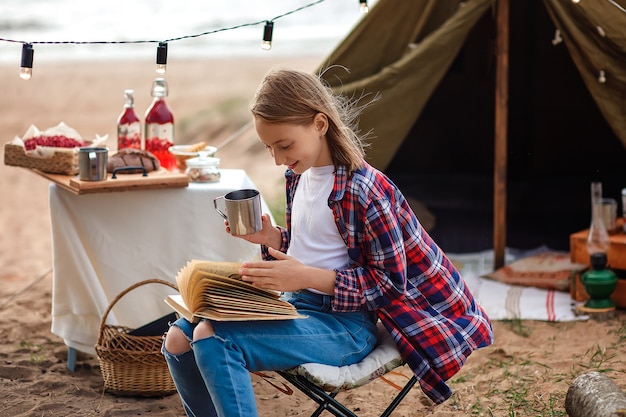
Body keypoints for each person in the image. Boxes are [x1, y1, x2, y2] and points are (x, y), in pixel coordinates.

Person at [162, 67, 494, 417]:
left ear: (320, 124)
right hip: (293, 307)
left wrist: (305, 277)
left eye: (284, 145)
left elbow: (389, 284)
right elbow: (319, 249)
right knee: (178, 339)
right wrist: (272, 238)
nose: (277, 159)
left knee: (215, 338)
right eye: (268, 148)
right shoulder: (298, 177)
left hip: (345, 326)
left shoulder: (366, 190)